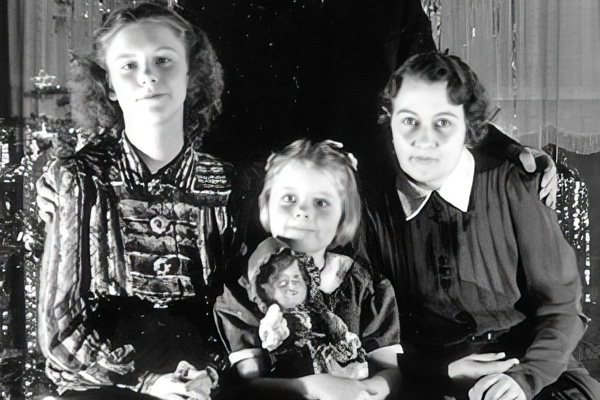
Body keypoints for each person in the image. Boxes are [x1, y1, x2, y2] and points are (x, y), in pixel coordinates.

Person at [363, 52, 600, 400]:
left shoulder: (510, 185)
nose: (424, 140)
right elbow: (367, 333)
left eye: (443, 123)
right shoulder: (370, 208)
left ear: (470, 129)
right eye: (409, 121)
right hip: (424, 377)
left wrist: (525, 378)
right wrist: (441, 372)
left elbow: (562, 308)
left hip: (527, 366)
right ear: (390, 124)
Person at [36, 4, 233, 399]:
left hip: (198, 377)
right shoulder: (80, 179)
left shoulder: (224, 182)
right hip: (104, 382)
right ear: (109, 85)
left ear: (191, 75)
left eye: (163, 60)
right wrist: (147, 382)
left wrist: (210, 372)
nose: (148, 76)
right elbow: (58, 326)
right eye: (128, 65)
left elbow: (234, 306)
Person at [214, 139, 402, 400]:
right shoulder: (244, 292)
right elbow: (250, 381)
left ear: (343, 216)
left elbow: (390, 369)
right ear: (266, 207)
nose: (302, 211)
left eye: (321, 202)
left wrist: (367, 391)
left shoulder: (366, 286)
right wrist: (309, 388)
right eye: (289, 198)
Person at [255, 248, 368, 379]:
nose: (291, 286)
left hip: (326, 358)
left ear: (306, 281)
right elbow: (271, 338)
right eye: (283, 283)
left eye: (296, 279)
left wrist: (345, 341)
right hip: (297, 366)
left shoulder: (318, 311)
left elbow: (336, 328)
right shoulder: (278, 316)